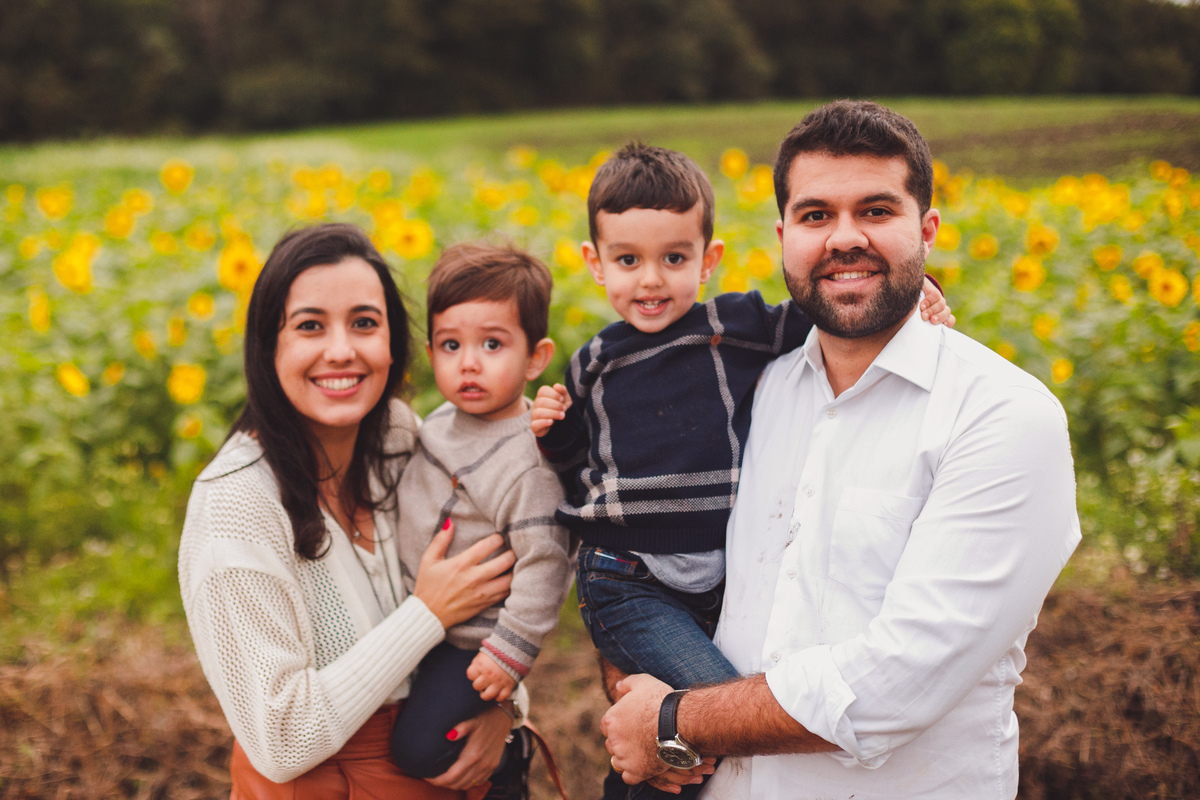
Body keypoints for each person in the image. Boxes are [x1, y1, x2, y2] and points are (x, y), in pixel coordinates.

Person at [600, 101, 1082, 799]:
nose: (844, 238)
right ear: (783, 235)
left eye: (877, 211)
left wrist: (673, 720)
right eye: (817, 215)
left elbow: (894, 686)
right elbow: (656, 553)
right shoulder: (757, 393)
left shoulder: (1003, 416)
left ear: (928, 229)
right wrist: (624, 679)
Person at [529, 144, 952, 800]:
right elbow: (581, 466)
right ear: (595, 262)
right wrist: (553, 432)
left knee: (690, 729)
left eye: (674, 258)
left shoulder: (736, 327)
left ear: (709, 260)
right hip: (629, 577)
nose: (650, 281)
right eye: (627, 261)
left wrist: (919, 292)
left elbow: (835, 307)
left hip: (716, 576)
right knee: (719, 713)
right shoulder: (591, 362)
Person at [178, 223, 521, 800]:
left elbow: (491, 593)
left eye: (364, 323)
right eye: (310, 326)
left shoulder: (401, 439)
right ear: (269, 346)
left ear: (394, 342)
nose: (342, 350)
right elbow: (281, 740)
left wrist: (504, 705)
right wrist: (426, 613)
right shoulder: (235, 505)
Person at [389, 242, 574, 785]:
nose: (468, 362)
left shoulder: (527, 463)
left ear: (536, 358)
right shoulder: (441, 420)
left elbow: (547, 563)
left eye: (492, 344)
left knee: (418, 750)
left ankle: (506, 774)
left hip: (475, 643)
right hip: (424, 621)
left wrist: (509, 654)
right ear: (431, 352)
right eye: (451, 345)